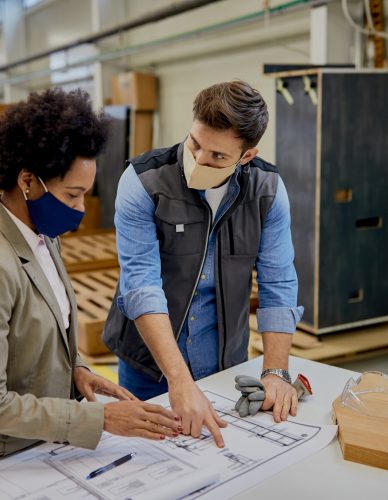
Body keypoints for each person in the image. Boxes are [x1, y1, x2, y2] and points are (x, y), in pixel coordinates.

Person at [0, 88, 181, 475]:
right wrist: (102, 420)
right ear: (27, 181)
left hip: (36, 443)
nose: (81, 209)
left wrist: (77, 369)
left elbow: (42, 330)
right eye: (72, 195)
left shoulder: (42, 236)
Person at [103, 80, 304, 447]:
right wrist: (179, 379)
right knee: (144, 461)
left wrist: (276, 371)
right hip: (148, 365)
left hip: (224, 363)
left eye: (217, 156)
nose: (199, 160)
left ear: (246, 155)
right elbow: (141, 286)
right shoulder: (143, 181)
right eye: (195, 144)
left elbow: (278, 282)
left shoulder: (267, 190)